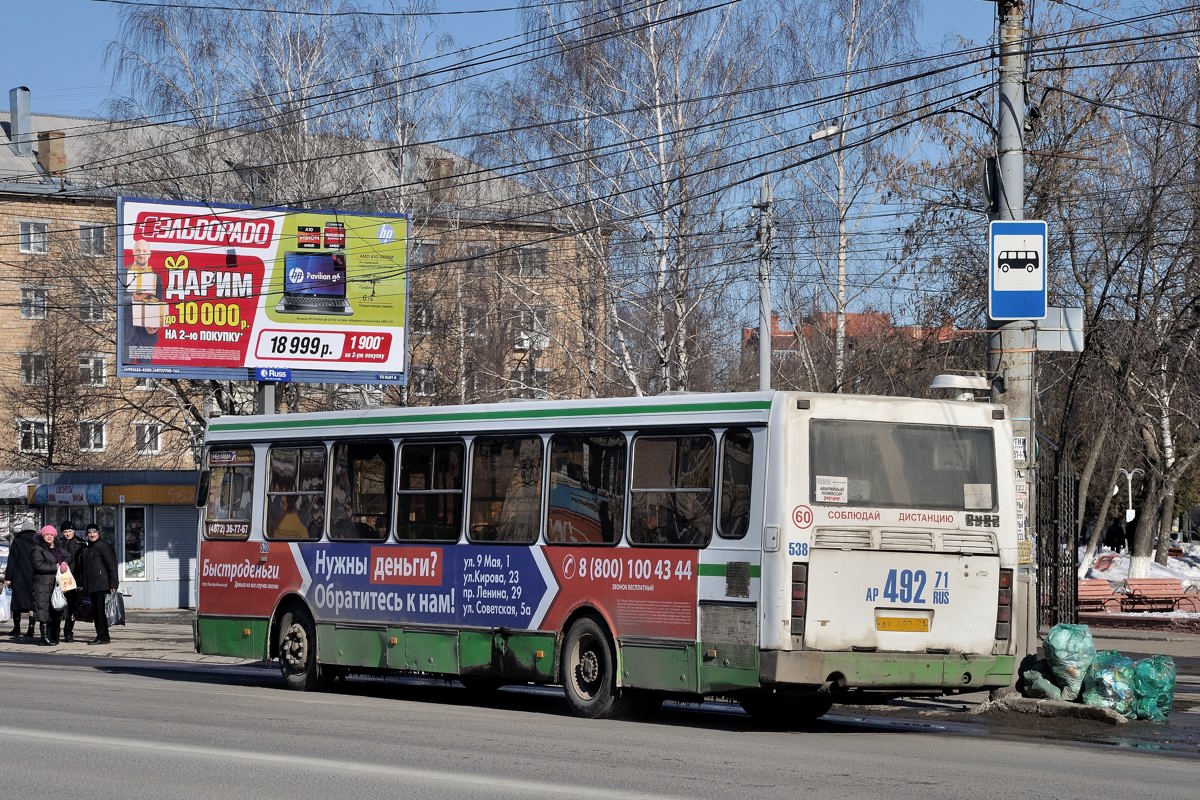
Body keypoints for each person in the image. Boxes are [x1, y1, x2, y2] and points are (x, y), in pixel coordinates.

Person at [76, 523, 118, 644]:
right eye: (89, 532)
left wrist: (113, 584)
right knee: (95, 612)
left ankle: (103, 636)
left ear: (99, 533)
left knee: (100, 612)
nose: (92, 534)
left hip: (102, 584)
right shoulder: (87, 548)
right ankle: (101, 635)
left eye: (94, 532)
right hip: (91, 585)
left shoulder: (103, 546)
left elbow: (112, 566)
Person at [122, 237, 162, 363]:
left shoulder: (156, 277)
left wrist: (155, 324)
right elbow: (115, 300)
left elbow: (159, 304)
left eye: (144, 250)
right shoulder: (124, 273)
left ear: (149, 254)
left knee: (145, 373)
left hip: (147, 334)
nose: (141, 253)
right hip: (127, 332)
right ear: (133, 252)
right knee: (124, 370)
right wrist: (132, 298)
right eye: (138, 250)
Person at [30, 525, 68, 646]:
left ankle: (53, 635)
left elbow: (67, 555)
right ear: (42, 535)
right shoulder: (37, 549)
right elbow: (38, 565)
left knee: (55, 611)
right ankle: (44, 638)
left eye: (51, 535)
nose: (49, 537)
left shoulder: (56, 548)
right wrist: (55, 567)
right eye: (47, 534)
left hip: (54, 584)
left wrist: (64, 562)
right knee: (43, 611)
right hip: (42, 584)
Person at [3, 527, 37, 638]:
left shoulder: (17, 541)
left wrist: (8, 578)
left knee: (16, 603)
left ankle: (16, 628)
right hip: (34, 576)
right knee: (32, 604)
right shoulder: (38, 541)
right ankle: (31, 629)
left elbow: (11, 560)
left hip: (18, 577)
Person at [57, 521, 84, 642]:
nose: (68, 534)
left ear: (74, 531)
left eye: (69, 531)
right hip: (61, 579)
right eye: (65, 532)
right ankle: (55, 631)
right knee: (58, 605)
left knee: (72, 608)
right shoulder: (59, 543)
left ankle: (68, 631)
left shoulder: (80, 543)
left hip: (75, 579)